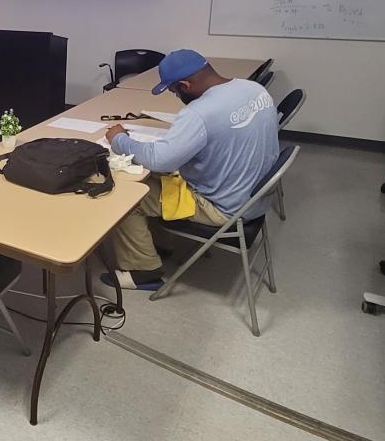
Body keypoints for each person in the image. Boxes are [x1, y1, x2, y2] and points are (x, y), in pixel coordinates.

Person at [103, 50, 279, 290]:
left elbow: (160, 160)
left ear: (185, 85)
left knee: (126, 196)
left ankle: (142, 271)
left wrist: (119, 139)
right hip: (255, 196)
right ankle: (161, 243)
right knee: (154, 174)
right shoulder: (254, 90)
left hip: (224, 208)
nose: (176, 96)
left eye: (175, 91)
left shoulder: (199, 113)